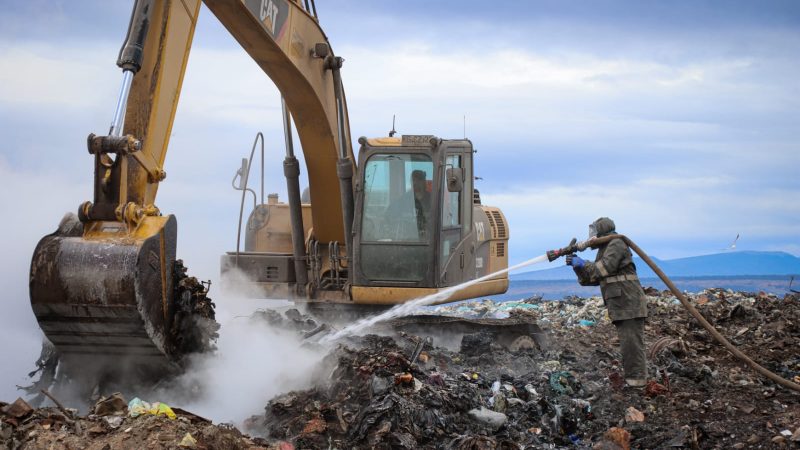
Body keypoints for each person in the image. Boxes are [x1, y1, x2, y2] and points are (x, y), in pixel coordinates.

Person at [567, 217, 649, 387]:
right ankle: (633, 380)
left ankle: (637, 383)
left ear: (602, 231)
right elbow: (591, 278)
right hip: (621, 304)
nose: (591, 237)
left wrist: (584, 263)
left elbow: (602, 269)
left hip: (629, 302)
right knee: (628, 344)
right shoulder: (605, 248)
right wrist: (577, 266)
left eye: (594, 233)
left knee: (631, 345)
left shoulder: (616, 243)